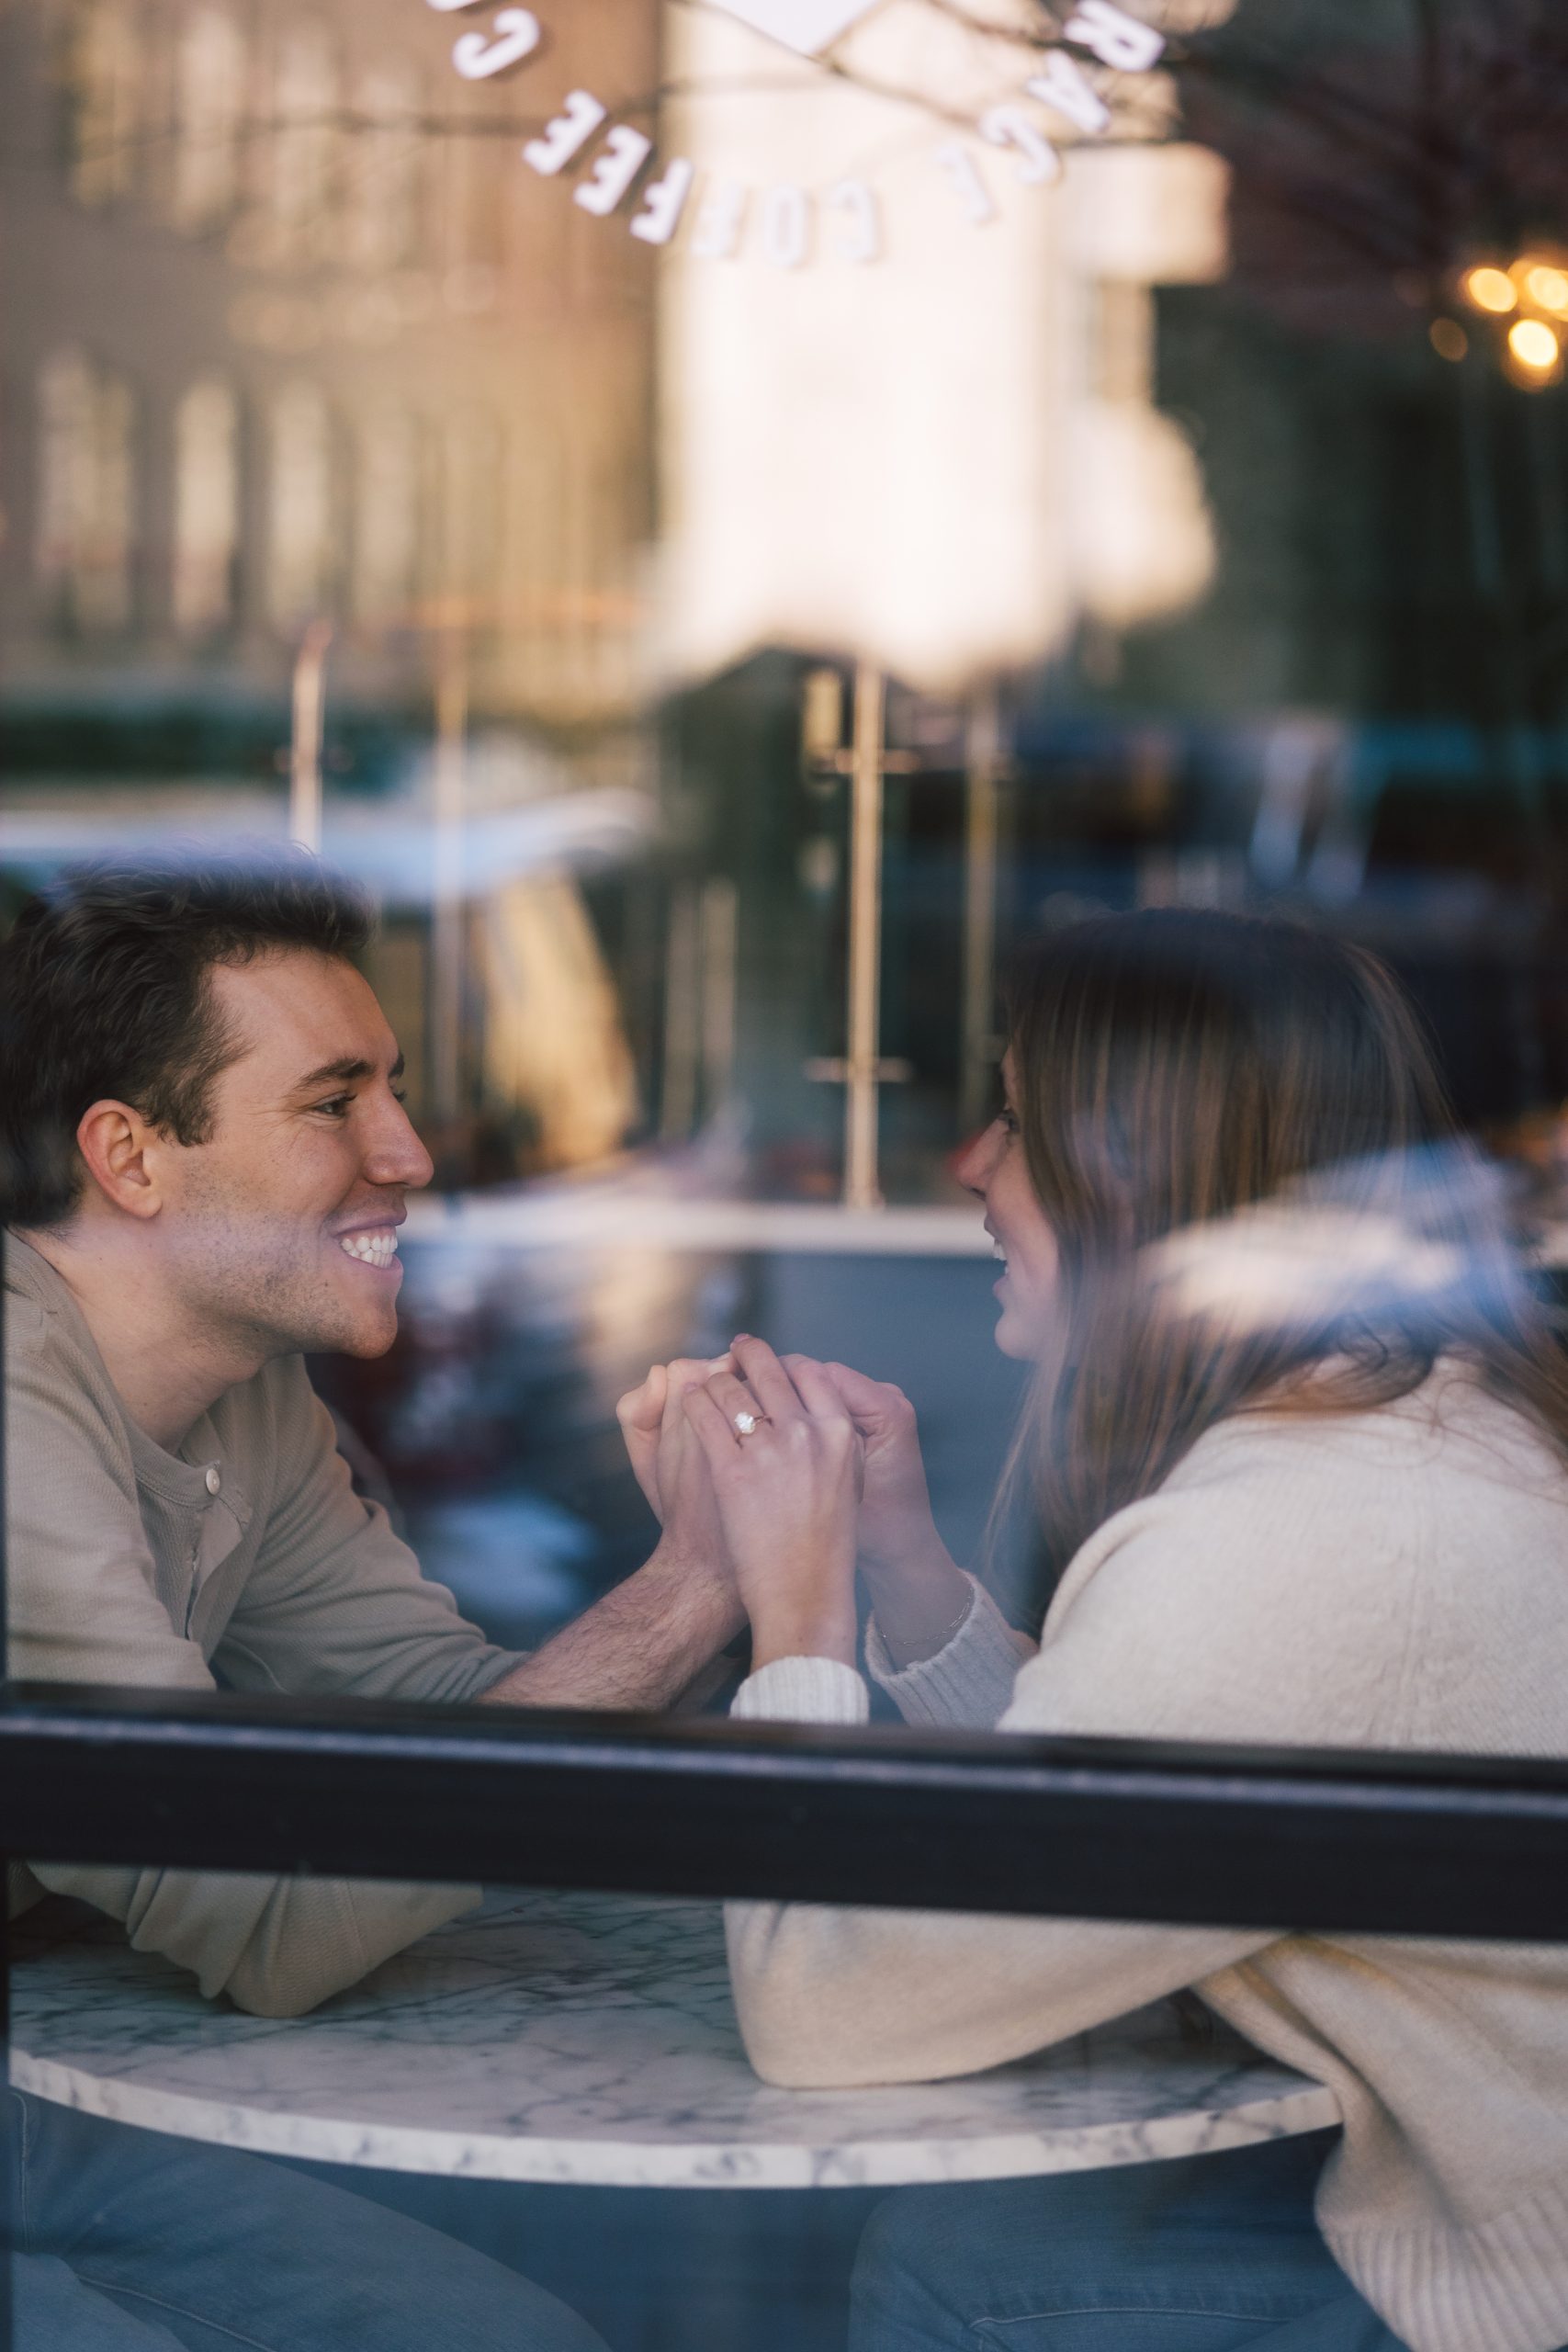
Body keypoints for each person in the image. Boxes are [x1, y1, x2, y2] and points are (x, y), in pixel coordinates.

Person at [622, 910, 1568, 2352]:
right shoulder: (1396, 1425)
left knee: (948, 2270)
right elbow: (1106, 1804)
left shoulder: (1299, 1534)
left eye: (1015, 1117)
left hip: (1507, 2282)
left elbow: (826, 2021)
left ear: (1137, 1172)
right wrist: (901, 1562)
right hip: (1483, 2193)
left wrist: (792, 1613)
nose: (973, 1166)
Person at [1, 847, 739, 2351]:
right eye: (334, 1103)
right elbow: (268, 1927)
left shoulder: (246, 1400)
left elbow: (436, 1729)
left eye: (390, 1088)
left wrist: (710, 1572)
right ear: (131, 1158)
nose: (408, 1151)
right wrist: (690, 1593)